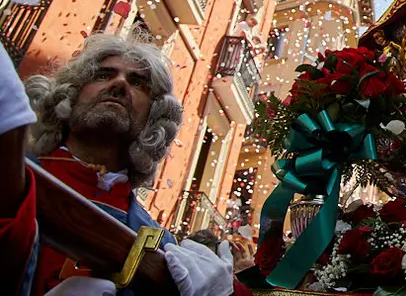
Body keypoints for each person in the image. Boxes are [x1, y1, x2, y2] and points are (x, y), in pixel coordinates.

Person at [0, 34, 249, 296]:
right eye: (103, 75)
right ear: (70, 96)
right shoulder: (12, 173)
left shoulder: (163, 248)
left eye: (138, 83)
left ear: (154, 117)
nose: (119, 83)